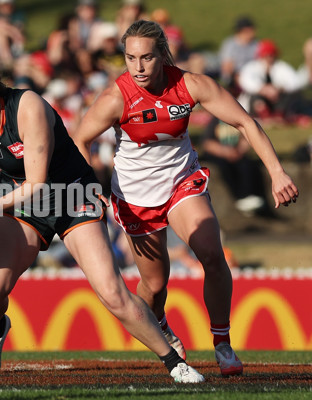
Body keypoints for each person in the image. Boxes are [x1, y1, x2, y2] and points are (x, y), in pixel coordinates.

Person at [0, 42, 205, 383]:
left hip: (71, 193)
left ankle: (175, 363)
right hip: (19, 200)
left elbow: (38, 182)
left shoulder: (28, 107)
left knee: (112, 293)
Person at [72, 20, 299, 376]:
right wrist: (91, 190)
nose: (139, 67)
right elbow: (79, 140)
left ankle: (222, 344)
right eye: (131, 58)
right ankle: (158, 324)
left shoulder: (191, 85)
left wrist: (277, 172)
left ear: (162, 54)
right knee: (154, 283)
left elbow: (245, 123)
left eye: (146, 57)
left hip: (182, 182)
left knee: (211, 251)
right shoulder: (117, 96)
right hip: (135, 197)